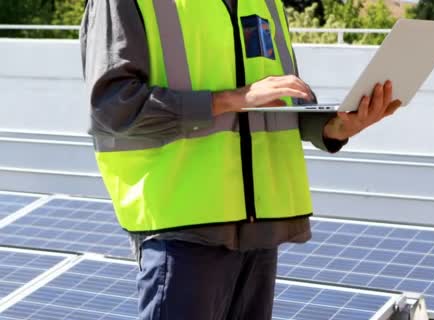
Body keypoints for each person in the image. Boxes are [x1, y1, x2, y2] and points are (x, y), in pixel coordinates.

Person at [80, 0, 401, 319]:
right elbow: (114, 106)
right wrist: (232, 99)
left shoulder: (265, 3)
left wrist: (335, 126)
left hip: (259, 228)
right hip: (181, 227)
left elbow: (282, 98)